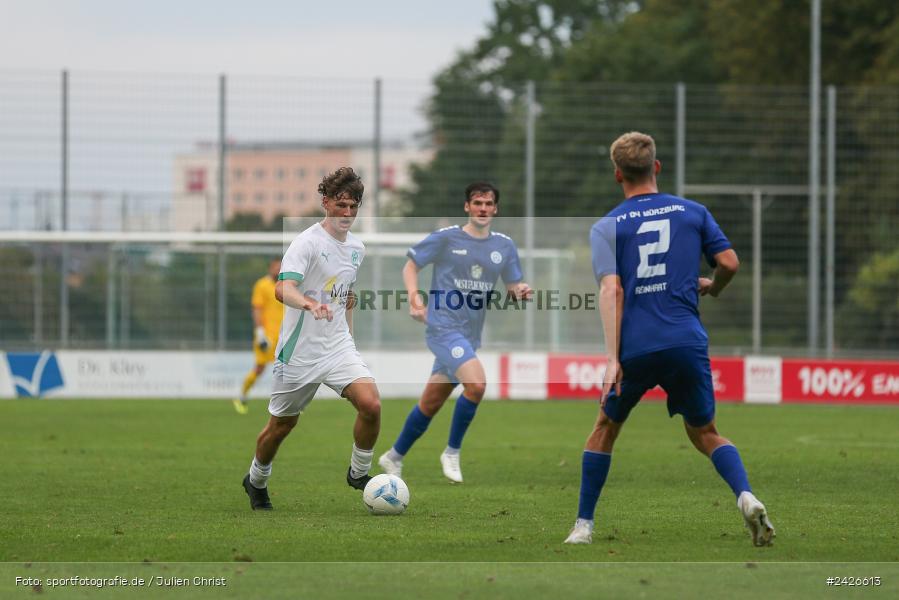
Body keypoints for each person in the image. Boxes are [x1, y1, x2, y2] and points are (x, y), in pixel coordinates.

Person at [564, 132, 775, 546]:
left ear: (617, 174)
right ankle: (745, 496)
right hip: (685, 341)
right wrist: (713, 287)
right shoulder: (693, 212)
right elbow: (730, 262)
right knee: (705, 432)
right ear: (656, 167)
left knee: (605, 426)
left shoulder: (606, 227)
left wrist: (612, 357)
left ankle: (583, 527)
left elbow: (612, 290)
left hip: (636, 346)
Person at [242, 167, 381, 510]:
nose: (347, 213)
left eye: (354, 206)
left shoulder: (357, 249)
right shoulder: (305, 243)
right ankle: (256, 479)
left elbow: (345, 296)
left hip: (337, 347)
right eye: (342, 205)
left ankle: (358, 473)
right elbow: (282, 288)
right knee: (282, 425)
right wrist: (308, 302)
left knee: (371, 405)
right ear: (326, 202)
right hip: (299, 353)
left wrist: (349, 336)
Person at [378, 182, 532, 483]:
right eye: (477, 203)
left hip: (469, 334)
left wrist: (520, 291)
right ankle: (451, 452)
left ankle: (393, 456)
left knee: (430, 403)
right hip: (442, 327)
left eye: (488, 204)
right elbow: (410, 266)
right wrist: (415, 298)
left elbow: (512, 288)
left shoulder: (504, 246)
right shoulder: (447, 238)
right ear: (467, 207)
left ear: (495, 209)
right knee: (476, 385)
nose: (483, 208)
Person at [233, 258, 283, 415]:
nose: (278, 270)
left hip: (284, 335)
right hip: (266, 336)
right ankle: (242, 396)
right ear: (270, 269)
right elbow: (257, 309)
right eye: (275, 267)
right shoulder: (262, 285)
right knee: (260, 368)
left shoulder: (287, 286)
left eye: (280, 267)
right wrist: (260, 333)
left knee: (289, 369)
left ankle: (289, 404)